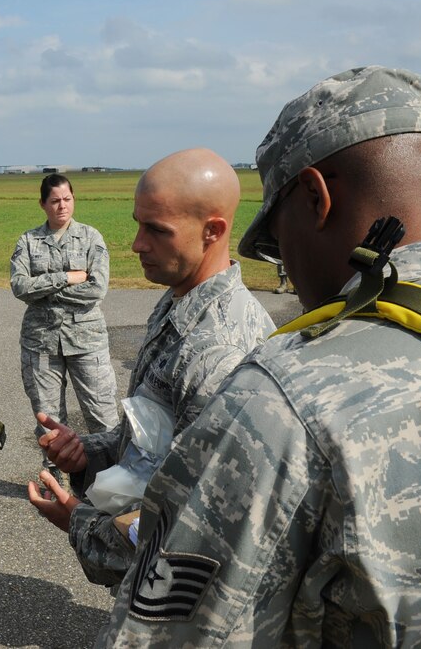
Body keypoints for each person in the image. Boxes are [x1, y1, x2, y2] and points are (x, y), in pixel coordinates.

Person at [97, 66, 421, 647]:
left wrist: (86, 525)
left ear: (314, 197)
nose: (287, 271)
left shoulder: (289, 397)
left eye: (278, 240)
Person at [27, 149, 275, 590]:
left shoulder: (215, 351)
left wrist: (77, 522)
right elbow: (155, 445)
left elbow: (188, 529)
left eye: (156, 230)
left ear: (212, 230)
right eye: (138, 224)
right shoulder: (181, 300)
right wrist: (90, 453)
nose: (137, 244)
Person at [11, 174, 119, 479]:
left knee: (102, 415)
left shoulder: (90, 238)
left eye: (67, 199)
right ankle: (54, 481)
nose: (62, 206)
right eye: (55, 200)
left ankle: (111, 480)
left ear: (74, 199)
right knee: (49, 419)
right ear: (43, 204)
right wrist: (66, 277)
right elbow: (20, 287)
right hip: (41, 344)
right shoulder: (28, 241)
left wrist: (42, 288)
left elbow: (96, 289)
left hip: (87, 342)